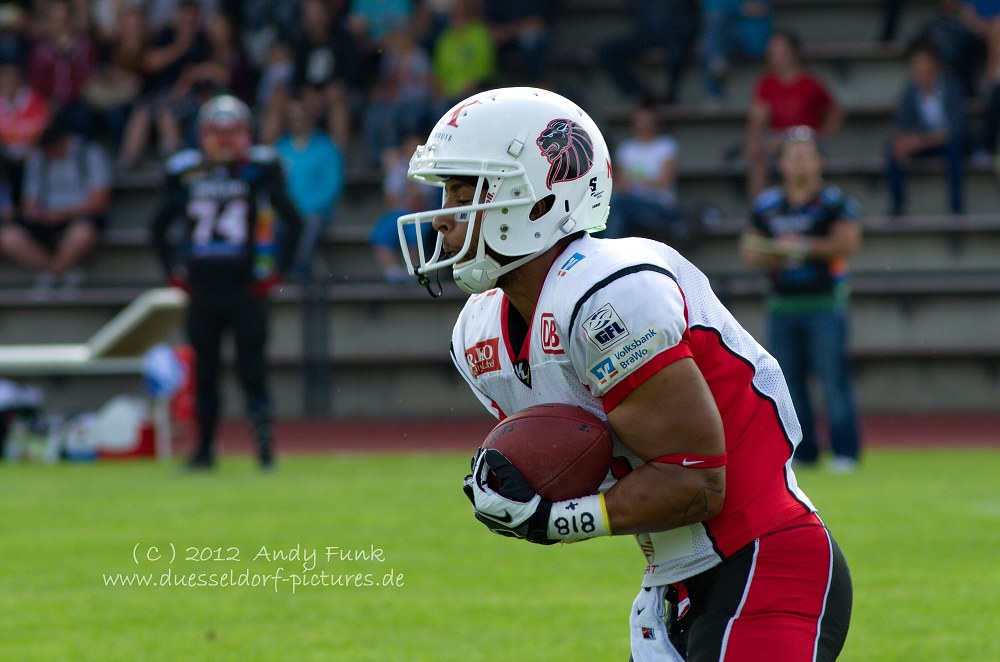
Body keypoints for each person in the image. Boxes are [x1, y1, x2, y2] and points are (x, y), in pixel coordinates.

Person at [396, 87, 852, 660]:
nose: (443, 219)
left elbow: (696, 481)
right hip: (673, 585)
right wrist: (512, 485)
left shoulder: (611, 291)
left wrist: (553, 519)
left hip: (763, 558)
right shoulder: (478, 332)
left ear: (537, 200)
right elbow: (579, 457)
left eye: (465, 191)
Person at [151, 95, 303, 470]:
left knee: (252, 369)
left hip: (244, 288)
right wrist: (173, 271)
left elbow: (294, 222)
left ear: (245, 134)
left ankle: (264, 449)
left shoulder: (258, 170)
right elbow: (156, 227)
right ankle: (204, 449)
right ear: (202, 135)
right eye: (216, 133)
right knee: (205, 371)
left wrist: (276, 271)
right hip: (203, 289)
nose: (223, 141)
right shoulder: (187, 173)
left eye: (230, 132)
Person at [741, 126, 863, 473]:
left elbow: (848, 243)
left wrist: (805, 248)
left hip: (825, 304)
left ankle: (845, 452)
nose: (800, 162)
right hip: (782, 306)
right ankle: (804, 452)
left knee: (833, 381)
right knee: (790, 384)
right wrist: (776, 254)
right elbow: (750, 248)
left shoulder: (835, 203)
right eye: (793, 156)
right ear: (781, 164)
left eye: (806, 155)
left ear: (819, 161)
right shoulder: (767, 205)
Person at [0, 113, 112, 291]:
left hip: (79, 216)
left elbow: (100, 200)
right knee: (7, 236)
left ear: (63, 140)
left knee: (82, 233)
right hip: (46, 219)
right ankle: (60, 271)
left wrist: (62, 214)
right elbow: (29, 201)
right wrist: (37, 213)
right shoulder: (38, 157)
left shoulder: (88, 152)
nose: (50, 154)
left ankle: (52, 274)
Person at [745, 29, 842, 197]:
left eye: (781, 51)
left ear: (794, 52)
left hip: (807, 138)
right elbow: (757, 118)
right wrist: (755, 142)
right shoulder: (766, 84)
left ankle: (812, 205)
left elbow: (835, 111)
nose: (776, 56)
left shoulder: (811, 82)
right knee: (759, 158)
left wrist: (824, 136)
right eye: (773, 52)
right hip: (778, 140)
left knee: (803, 153)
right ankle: (760, 210)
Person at [885, 38, 972, 216]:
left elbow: (957, 129)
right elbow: (900, 123)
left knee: (954, 149)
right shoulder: (911, 90)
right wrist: (900, 140)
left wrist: (920, 141)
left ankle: (956, 209)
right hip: (927, 143)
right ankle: (897, 206)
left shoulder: (951, 87)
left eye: (925, 71)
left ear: (936, 69)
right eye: (917, 71)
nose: (921, 76)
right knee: (891, 149)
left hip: (953, 143)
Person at [275, 97, 345, 281]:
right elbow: (275, 185)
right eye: (292, 118)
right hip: (287, 212)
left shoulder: (326, 147)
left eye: (300, 118)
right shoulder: (280, 148)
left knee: (309, 224)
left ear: (310, 119)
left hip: (316, 212)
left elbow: (332, 185)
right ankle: (278, 270)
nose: (296, 122)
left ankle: (298, 268)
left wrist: (305, 208)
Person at [602, 100, 687, 245]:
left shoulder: (666, 146)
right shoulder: (626, 149)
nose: (644, 125)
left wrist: (634, 181)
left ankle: (603, 248)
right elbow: (621, 184)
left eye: (648, 120)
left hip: (660, 206)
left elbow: (665, 182)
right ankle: (607, 247)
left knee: (617, 205)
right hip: (629, 206)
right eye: (641, 120)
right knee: (618, 212)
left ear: (656, 122)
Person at [596, 0, 700, 105]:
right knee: (605, 52)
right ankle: (641, 94)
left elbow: (690, 19)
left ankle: (670, 99)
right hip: (646, 37)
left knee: (677, 53)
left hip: (675, 37)